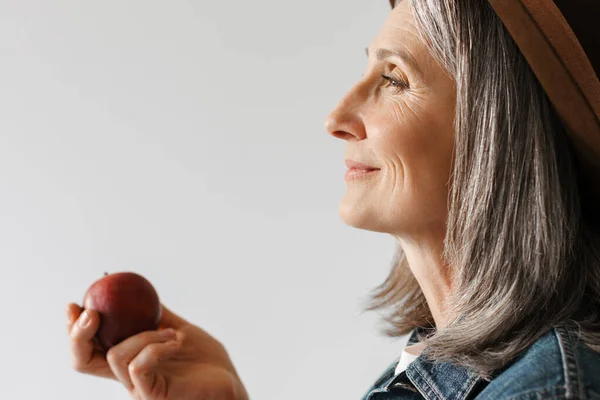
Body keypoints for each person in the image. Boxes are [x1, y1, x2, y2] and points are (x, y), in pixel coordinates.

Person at [66, 0, 600, 398]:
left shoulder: (543, 389)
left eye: (393, 78)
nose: (336, 118)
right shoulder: (429, 377)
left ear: (496, 133)